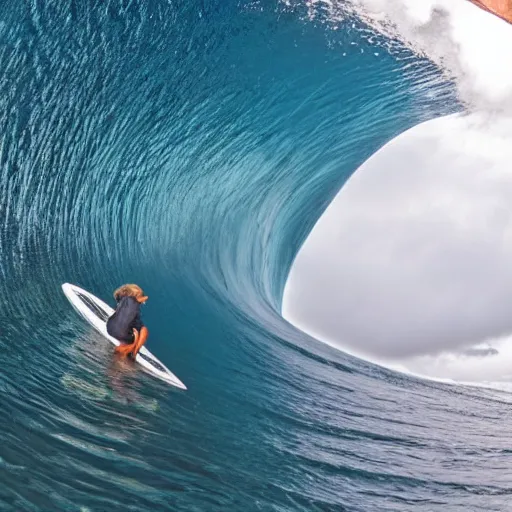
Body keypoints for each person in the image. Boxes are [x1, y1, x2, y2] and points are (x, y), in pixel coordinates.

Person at [106, 284, 149, 359]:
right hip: (122, 334)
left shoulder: (122, 299)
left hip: (109, 328)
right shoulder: (134, 301)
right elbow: (145, 297)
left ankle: (126, 345)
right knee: (144, 330)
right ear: (136, 295)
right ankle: (134, 350)